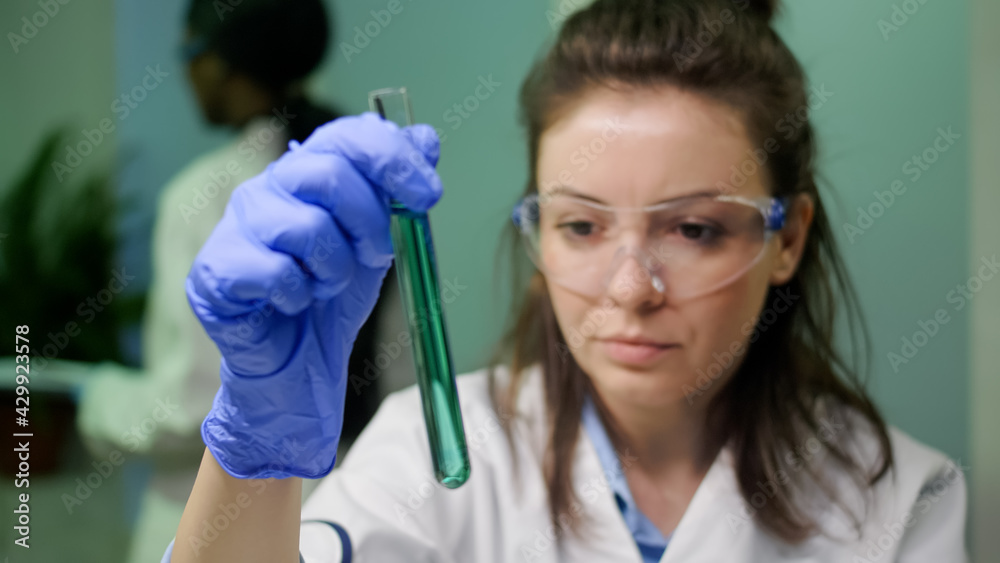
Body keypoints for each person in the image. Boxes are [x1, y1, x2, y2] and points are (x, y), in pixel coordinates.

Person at [161, 0, 968, 561]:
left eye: (693, 228)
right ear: (537, 223)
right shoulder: (430, 453)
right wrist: (254, 457)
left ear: (786, 235)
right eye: (581, 225)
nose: (630, 287)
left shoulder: (898, 501)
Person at [75, 1, 407, 561]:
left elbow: (192, 405)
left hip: (212, 516)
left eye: (189, 52)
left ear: (220, 62)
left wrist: (97, 399)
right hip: (348, 499)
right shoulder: (365, 181)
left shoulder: (200, 197)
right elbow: (394, 372)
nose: (185, 72)